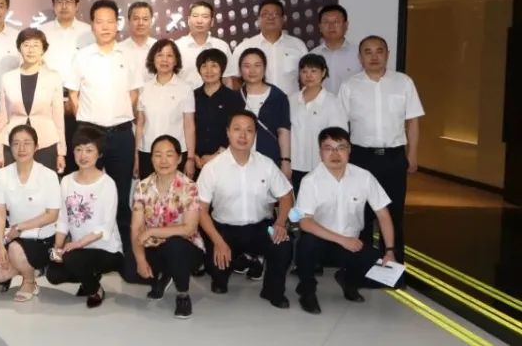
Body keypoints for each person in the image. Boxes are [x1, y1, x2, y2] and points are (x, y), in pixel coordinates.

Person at [337, 35, 423, 265]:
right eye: (368, 52)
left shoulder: (404, 82)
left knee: (394, 214)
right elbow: (341, 126)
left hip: (393, 157)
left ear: (387, 54)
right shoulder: (349, 85)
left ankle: (393, 266)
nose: (374, 56)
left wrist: (412, 154)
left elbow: (413, 121)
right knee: (361, 215)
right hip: (360, 157)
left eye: (379, 51)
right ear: (360, 57)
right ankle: (362, 266)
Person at [66, 0, 142, 254]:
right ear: (92, 25)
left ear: (117, 24)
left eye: (110, 22)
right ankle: (87, 251)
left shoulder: (128, 55)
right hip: (90, 134)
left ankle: (125, 254)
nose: (106, 27)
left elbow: (134, 93)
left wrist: (118, 113)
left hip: (121, 133)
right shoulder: (82, 56)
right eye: (100, 22)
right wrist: (87, 120)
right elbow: (73, 93)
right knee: (89, 194)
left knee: (120, 195)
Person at [197, 111, 295, 309]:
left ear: (255, 134)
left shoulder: (266, 164)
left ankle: (272, 290)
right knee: (218, 279)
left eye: (249, 130)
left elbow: (286, 196)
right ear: (228, 132)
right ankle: (233, 264)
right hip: (223, 230)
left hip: (261, 227)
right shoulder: (212, 168)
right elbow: (200, 210)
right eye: (237, 129)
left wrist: (280, 223)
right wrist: (218, 242)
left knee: (283, 243)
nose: (243, 135)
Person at [294, 127, 397, 314]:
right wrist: (342, 240)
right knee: (306, 244)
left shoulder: (364, 177)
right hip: (321, 242)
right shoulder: (310, 181)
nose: (335, 154)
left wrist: (389, 251)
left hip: (351, 243)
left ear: (349, 150)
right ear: (320, 152)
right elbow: (305, 223)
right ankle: (307, 291)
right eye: (328, 148)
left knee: (389, 276)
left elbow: (383, 214)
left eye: (341, 147)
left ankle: (348, 280)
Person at [46, 126, 122, 308]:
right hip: (79, 250)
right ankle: (89, 275)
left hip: (106, 249)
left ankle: (95, 289)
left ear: (99, 154)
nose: (83, 155)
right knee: (53, 274)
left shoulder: (107, 184)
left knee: (73, 258)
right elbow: (63, 220)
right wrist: (57, 247)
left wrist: (76, 244)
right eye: (78, 149)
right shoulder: (66, 181)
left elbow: (105, 227)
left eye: (89, 150)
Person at [130, 135, 204, 318]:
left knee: (174, 246)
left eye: (169, 155)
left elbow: (189, 229)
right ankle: (165, 275)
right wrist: (140, 260)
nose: (163, 160)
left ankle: (183, 294)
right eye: (158, 155)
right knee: (129, 269)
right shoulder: (142, 186)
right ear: (151, 158)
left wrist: (152, 231)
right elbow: (136, 227)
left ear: (179, 158)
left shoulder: (189, 186)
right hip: (154, 245)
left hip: (186, 247)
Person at [0, 125, 61, 302]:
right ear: (10, 147)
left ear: (36, 146)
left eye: (27, 143)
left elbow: (52, 215)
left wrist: (20, 227)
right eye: (16, 143)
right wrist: (0, 246)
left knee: (15, 249)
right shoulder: (2, 175)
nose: (21, 148)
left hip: (42, 237)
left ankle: (29, 281)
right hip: (14, 236)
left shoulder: (48, 175)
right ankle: (28, 267)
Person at [0, 28, 66, 173]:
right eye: (26, 45)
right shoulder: (8, 78)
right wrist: (0, 152)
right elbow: (3, 119)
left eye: (36, 45)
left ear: (43, 50)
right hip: (13, 143)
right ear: (19, 48)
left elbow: (58, 119)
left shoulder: (53, 77)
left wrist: (61, 153)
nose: (31, 50)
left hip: (45, 142)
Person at [40, 0, 94, 168]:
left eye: (69, 1)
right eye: (59, 2)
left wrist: (74, 100)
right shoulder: (42, 32)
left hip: (81, 103)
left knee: (78, 155)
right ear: (53, 5)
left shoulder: (89, 33)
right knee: (50, 157)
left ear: (77, 5)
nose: (64, 6)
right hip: (48, 104)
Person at [134, 39, 196, 180]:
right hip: (148, 152)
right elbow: (140, 124)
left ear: (176, 60)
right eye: (160, 55)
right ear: (153, 59)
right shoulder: (144, 88)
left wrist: (190, 158)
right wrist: (136, 156)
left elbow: (189, 125)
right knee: (148, 192)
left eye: (169, 55)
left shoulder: (185, 88)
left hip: (176, 153)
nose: (164, 60)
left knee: (176, 193)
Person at [289, 53, 347, 192]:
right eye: (304, 71)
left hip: (322, 166)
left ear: (323, 72)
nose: (308, 75)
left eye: (313, 71)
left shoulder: (333, 102)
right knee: (297, 203)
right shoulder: (291, 100)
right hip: (295, 166)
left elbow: (339, 137)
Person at [229, 0, 308, 95]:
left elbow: (308, 77)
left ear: (283, 19)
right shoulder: (244, 47)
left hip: (292, 103)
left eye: (275, 14)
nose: (270, 17)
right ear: (258, 20)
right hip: (255, 104)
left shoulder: (298, 45)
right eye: (265, 14)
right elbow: (235, 79)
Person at [238, 48, 292, 173]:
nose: (252, 71)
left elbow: (283, 131)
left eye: (257, 65)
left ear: (264, 68)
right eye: (247, 66)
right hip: (240, 161)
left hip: (270, 160)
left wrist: (285, 161)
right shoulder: (235, 96)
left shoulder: (278, 96)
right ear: (240, 70)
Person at [193, 49, 245, 171]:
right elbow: (187, 128)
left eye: (214, 66)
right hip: (196, 162)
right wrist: (193, 156)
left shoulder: (234, 98)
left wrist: (216, 155)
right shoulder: (192, 96)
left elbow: (238, 130)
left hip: (225, 161)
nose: (209, 71)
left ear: (222, 69)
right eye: (204, 66)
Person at [175, 1, 235, 88]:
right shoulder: (177, 47)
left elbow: (227, 80)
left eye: (205, 16)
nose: (199, 21)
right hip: (184, 96)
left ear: (212, 21)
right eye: (195, 16)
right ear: (188, 20)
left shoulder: (222, 46)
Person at [310, 4, 362, 94]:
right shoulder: (312, 56)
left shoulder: (359, 54)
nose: (331, 26)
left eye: (336, 22)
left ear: (346, 25)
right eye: (326, 22)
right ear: (320, 27)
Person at [118, 1, 158, 83]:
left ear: (151, 21)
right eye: (136, 19)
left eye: (145, 19)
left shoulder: (160, 48)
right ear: (129, 22)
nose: (140, 23)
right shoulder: (119, 50)